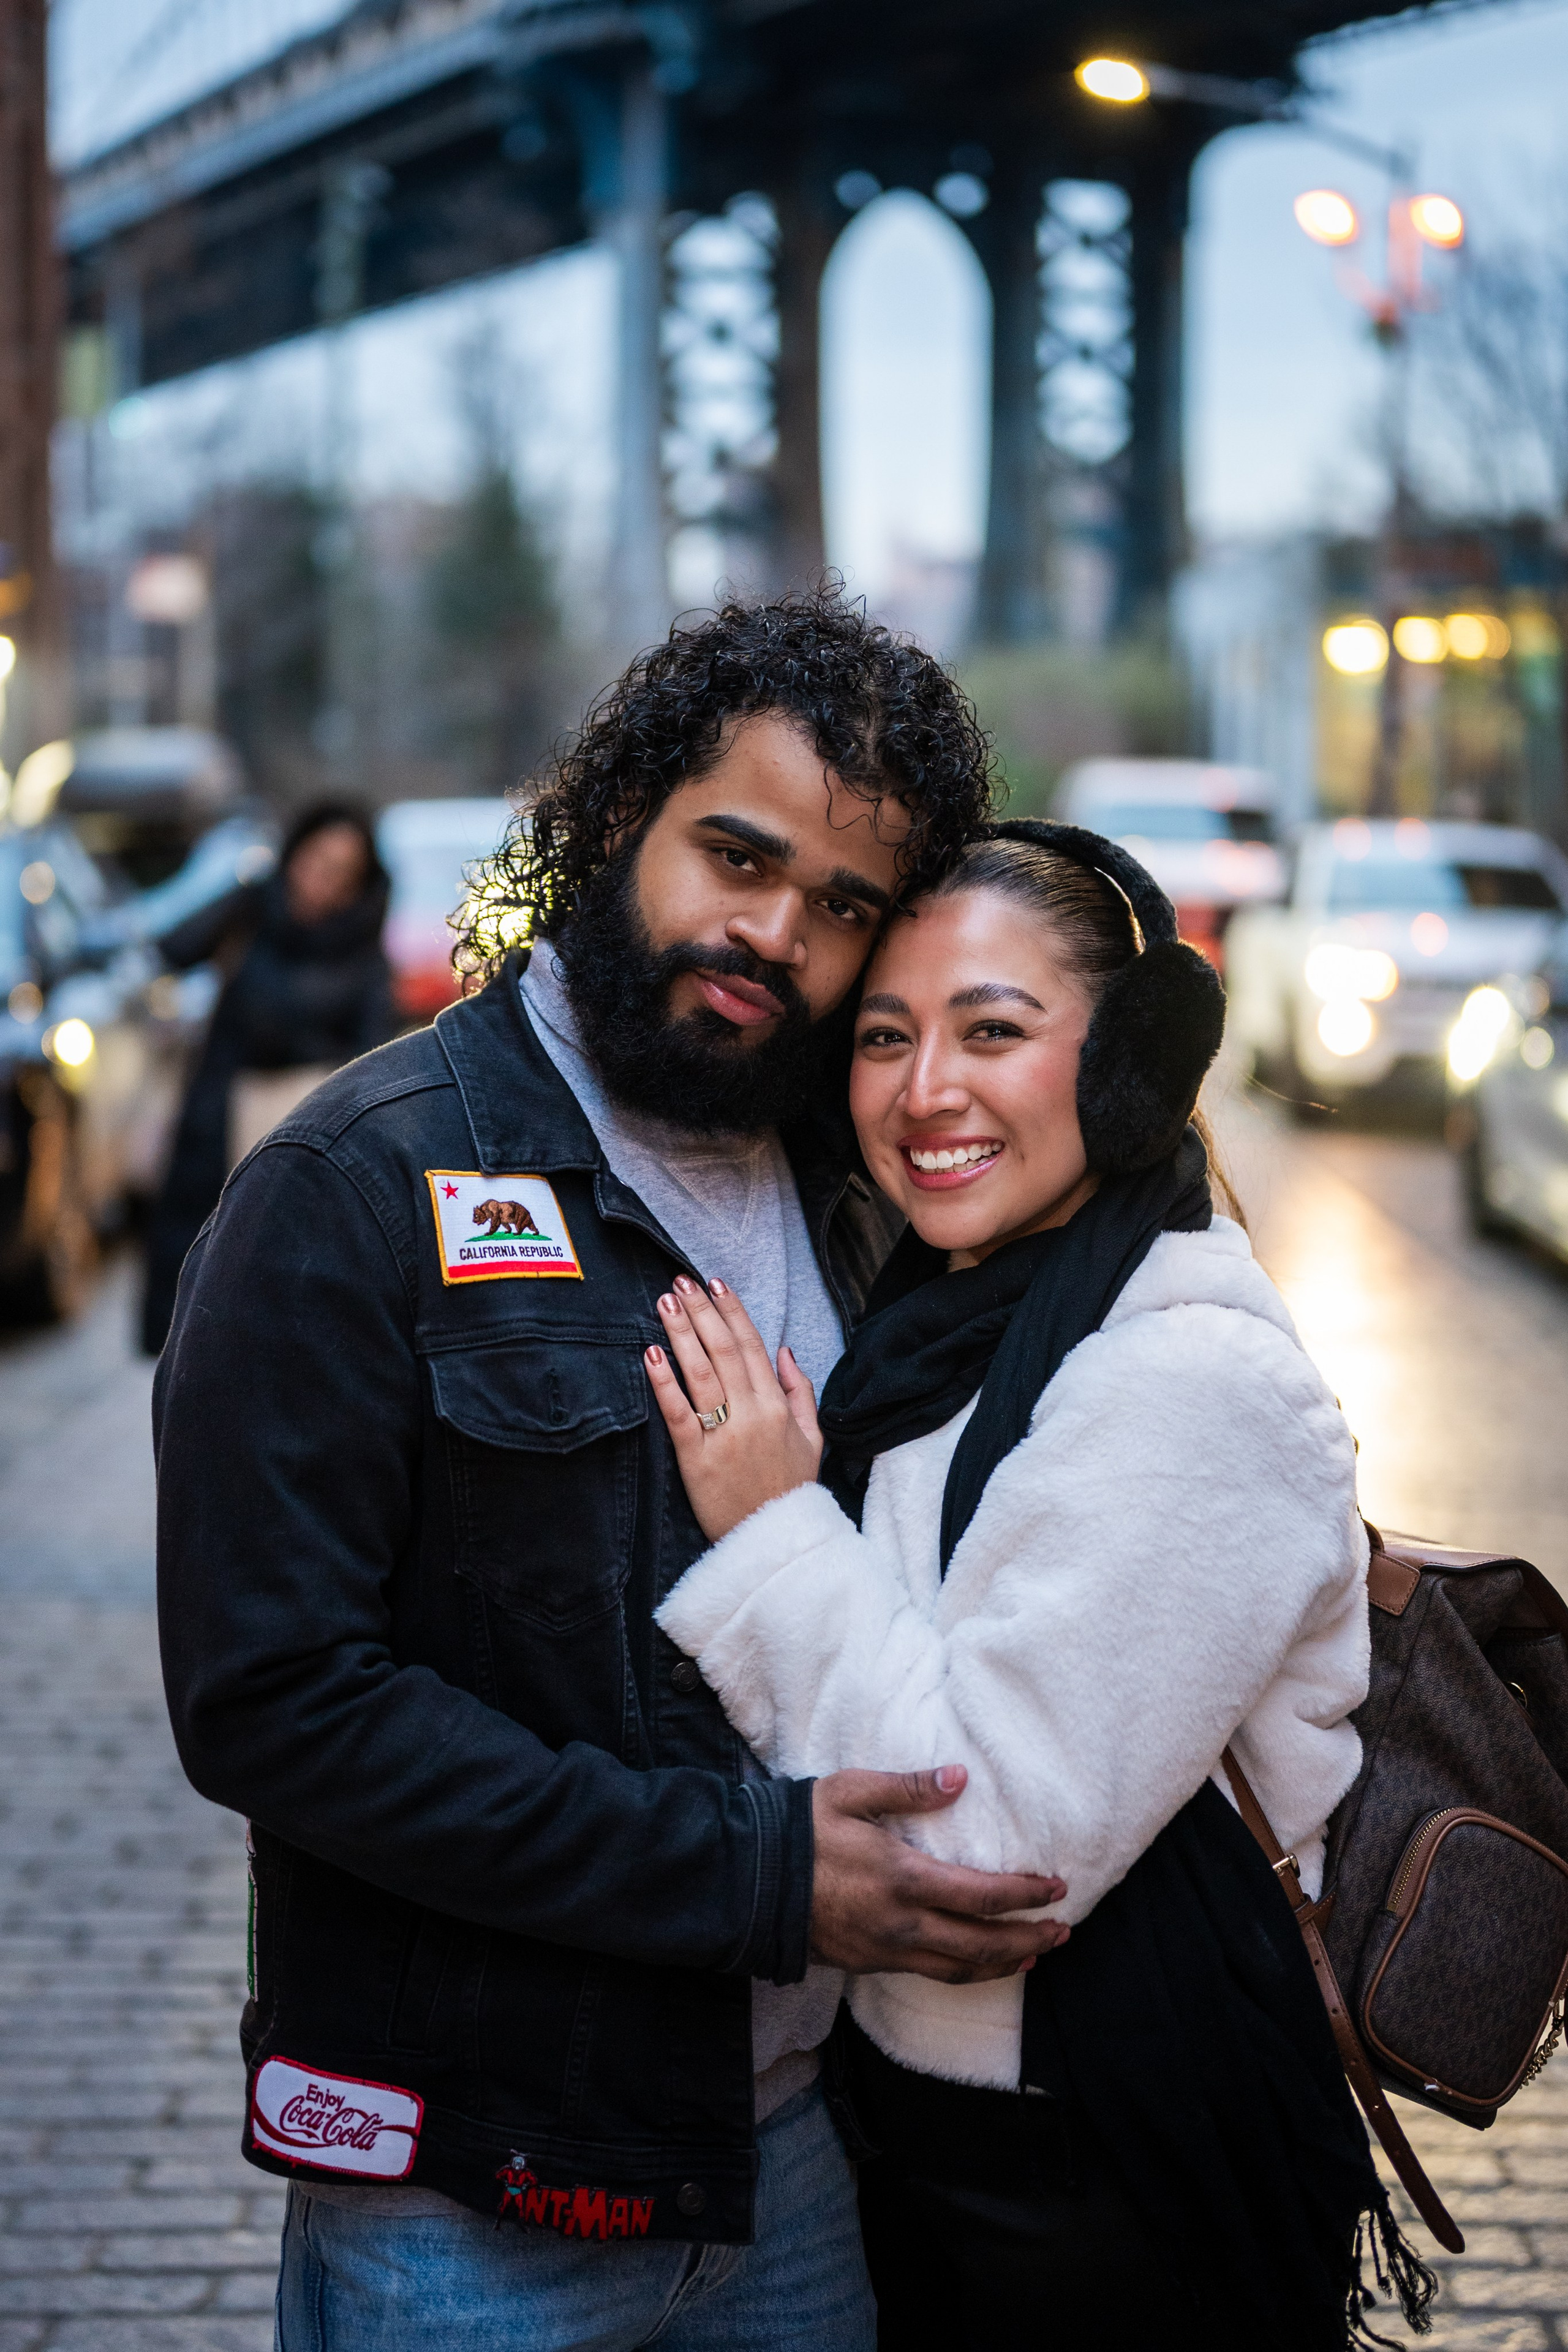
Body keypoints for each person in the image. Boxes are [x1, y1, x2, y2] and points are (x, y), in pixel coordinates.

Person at [153, 592, 1074, 2352]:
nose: (772, 932)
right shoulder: (356, 1189)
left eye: (843, 907)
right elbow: (272, 1701)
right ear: (608, 820)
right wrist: (751, 1875)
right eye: (734, 853)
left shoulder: (867, 1195)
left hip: (793, 2161)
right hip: (470, 2207)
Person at [652, 824, 1439, 2352]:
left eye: (991, 1029)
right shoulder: (948, 1326)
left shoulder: (1190, 1376)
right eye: (884, 1035)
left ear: (1130, 1065)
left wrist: (765, 1530)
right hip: (946, 2139)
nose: (923, 1089)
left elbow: (975, 1845)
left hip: (1113, 2179)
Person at [140, 800, 394, 1354]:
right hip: (216, 1124)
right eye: (313, 860)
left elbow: (372, 1058)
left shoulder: (364, 954)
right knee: (198, 1294)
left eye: (340, 872)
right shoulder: (253, 907)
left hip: (301, 1137)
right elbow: (169, 947)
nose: (320, 881)